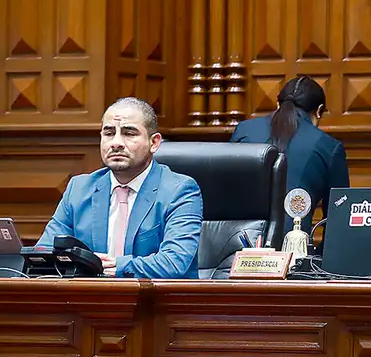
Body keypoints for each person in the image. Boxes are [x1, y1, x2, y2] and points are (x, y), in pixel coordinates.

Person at [38, 98, 203, 278]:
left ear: (154, 143)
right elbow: (44, 253)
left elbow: (174, 262)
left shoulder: (179, 190)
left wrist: (114, 266)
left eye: (129, 133)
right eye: (109, 133)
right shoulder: (79, 188)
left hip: (154, 301)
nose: (116, 143)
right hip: (88, 299)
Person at [231, 76, 349, 237]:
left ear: (277, 104)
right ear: (319, 111)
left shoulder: (243, 131)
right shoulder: (329, 147)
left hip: (237, 249)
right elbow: (338, 219)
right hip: (294, 252)